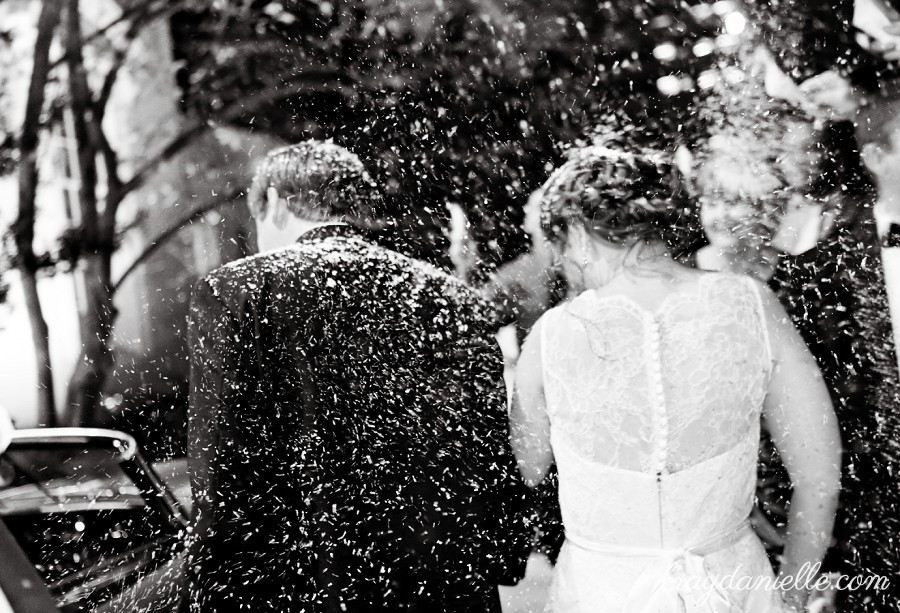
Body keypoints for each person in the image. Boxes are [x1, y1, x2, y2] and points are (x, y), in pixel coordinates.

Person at [185, 140, 530, 612]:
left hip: (309, 582)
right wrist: (497, 556)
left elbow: (225, 462)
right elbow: (485, 443)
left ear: (274, 203)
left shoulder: (239, 290)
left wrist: (218, 585)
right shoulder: (451, 295)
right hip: (439, 579)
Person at [509, 146, 843, 612]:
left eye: (562, 246)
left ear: (580, 235)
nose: (564, 263)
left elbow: (530, 466)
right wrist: (790, 594)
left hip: (600, 596)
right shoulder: (751, 305)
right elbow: (820, 479)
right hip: (736, 590)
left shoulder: (549, 337)